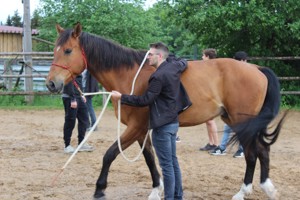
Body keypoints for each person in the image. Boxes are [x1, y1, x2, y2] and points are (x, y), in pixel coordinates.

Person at [111, 42, 191, 200]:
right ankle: (177, 196)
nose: (147, 57)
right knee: (172, 162)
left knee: (167, 166)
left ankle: (170, 197)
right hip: (173, 123)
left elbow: (145, 100)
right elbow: (183, 62)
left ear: (159, 56)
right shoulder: (174, 67)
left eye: (150, 54)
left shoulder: (157, 76)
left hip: (162, 126)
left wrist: (122, 97)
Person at [210, 51, 248, 158]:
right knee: (229, 127)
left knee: (239, 127)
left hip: (240, 105)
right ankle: (223, 148)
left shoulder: (245, 74)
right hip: (233, 104)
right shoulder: (238, 73)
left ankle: (241, 149)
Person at [62, 73, 94, 153]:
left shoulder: (78, 69)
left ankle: (81, 143)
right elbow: (68, 82)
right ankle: (67, 145)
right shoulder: (69, 68)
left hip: (78, 96)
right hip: (70, 97)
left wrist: (81, 94)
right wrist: (73, 99)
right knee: (70, 121)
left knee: (84, 119)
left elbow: (78, 82)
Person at [199, 48, 219, 151]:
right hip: (207, 95)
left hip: (212, 96)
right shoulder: (208, 67)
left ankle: (216, 143)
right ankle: (211, 142)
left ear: (207, 56)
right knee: (207, 121)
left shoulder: (212, 67)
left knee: (210, 121)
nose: (202, 57)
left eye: (203, 55)